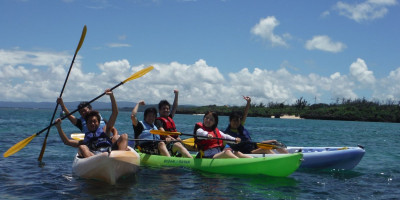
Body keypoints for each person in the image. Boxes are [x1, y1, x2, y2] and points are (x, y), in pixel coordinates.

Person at [54, 89, 129, 158]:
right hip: (94, 157)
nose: (92, 124)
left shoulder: (105, 130)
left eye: (94, 121)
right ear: (86, 124)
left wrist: (111, 96)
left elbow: (115, 113)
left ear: (99, 122)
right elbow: (67, 141)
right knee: (82, 147)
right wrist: (58, 127)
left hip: (109, 152)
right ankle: (96, 165)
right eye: (90, 122)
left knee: (124, 136)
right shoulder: (84, 136)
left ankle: (121, 159)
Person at [155, 90, 194, 155]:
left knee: (184, 144)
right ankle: (190, 160)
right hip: (165, 144)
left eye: (167, 109)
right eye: (163, 108)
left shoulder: (169, 117)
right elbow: (162, 131)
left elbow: (174, 107)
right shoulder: (158, 121)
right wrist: (173, 139)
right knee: (178, 143)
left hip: (174, 142)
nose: (166, 110)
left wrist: (176, 95)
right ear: (159, 110)